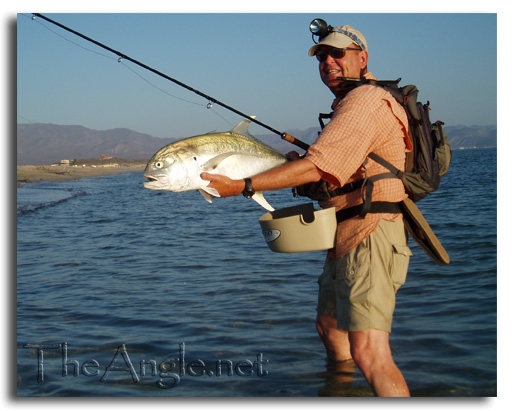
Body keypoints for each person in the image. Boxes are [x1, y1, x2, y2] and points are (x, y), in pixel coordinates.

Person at [201, 24, 412, 397]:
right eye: (322, 57)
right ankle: (340, 395)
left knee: (370, 352)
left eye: (338, 54)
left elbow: (320, 165)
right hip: (344, 234)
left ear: (362, 58)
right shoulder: (348, 104)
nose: (329, 62)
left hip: (372, 230)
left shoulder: (364, 101)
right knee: (330, 329)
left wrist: (242, 186)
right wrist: (297, 171)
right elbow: (331, 172)